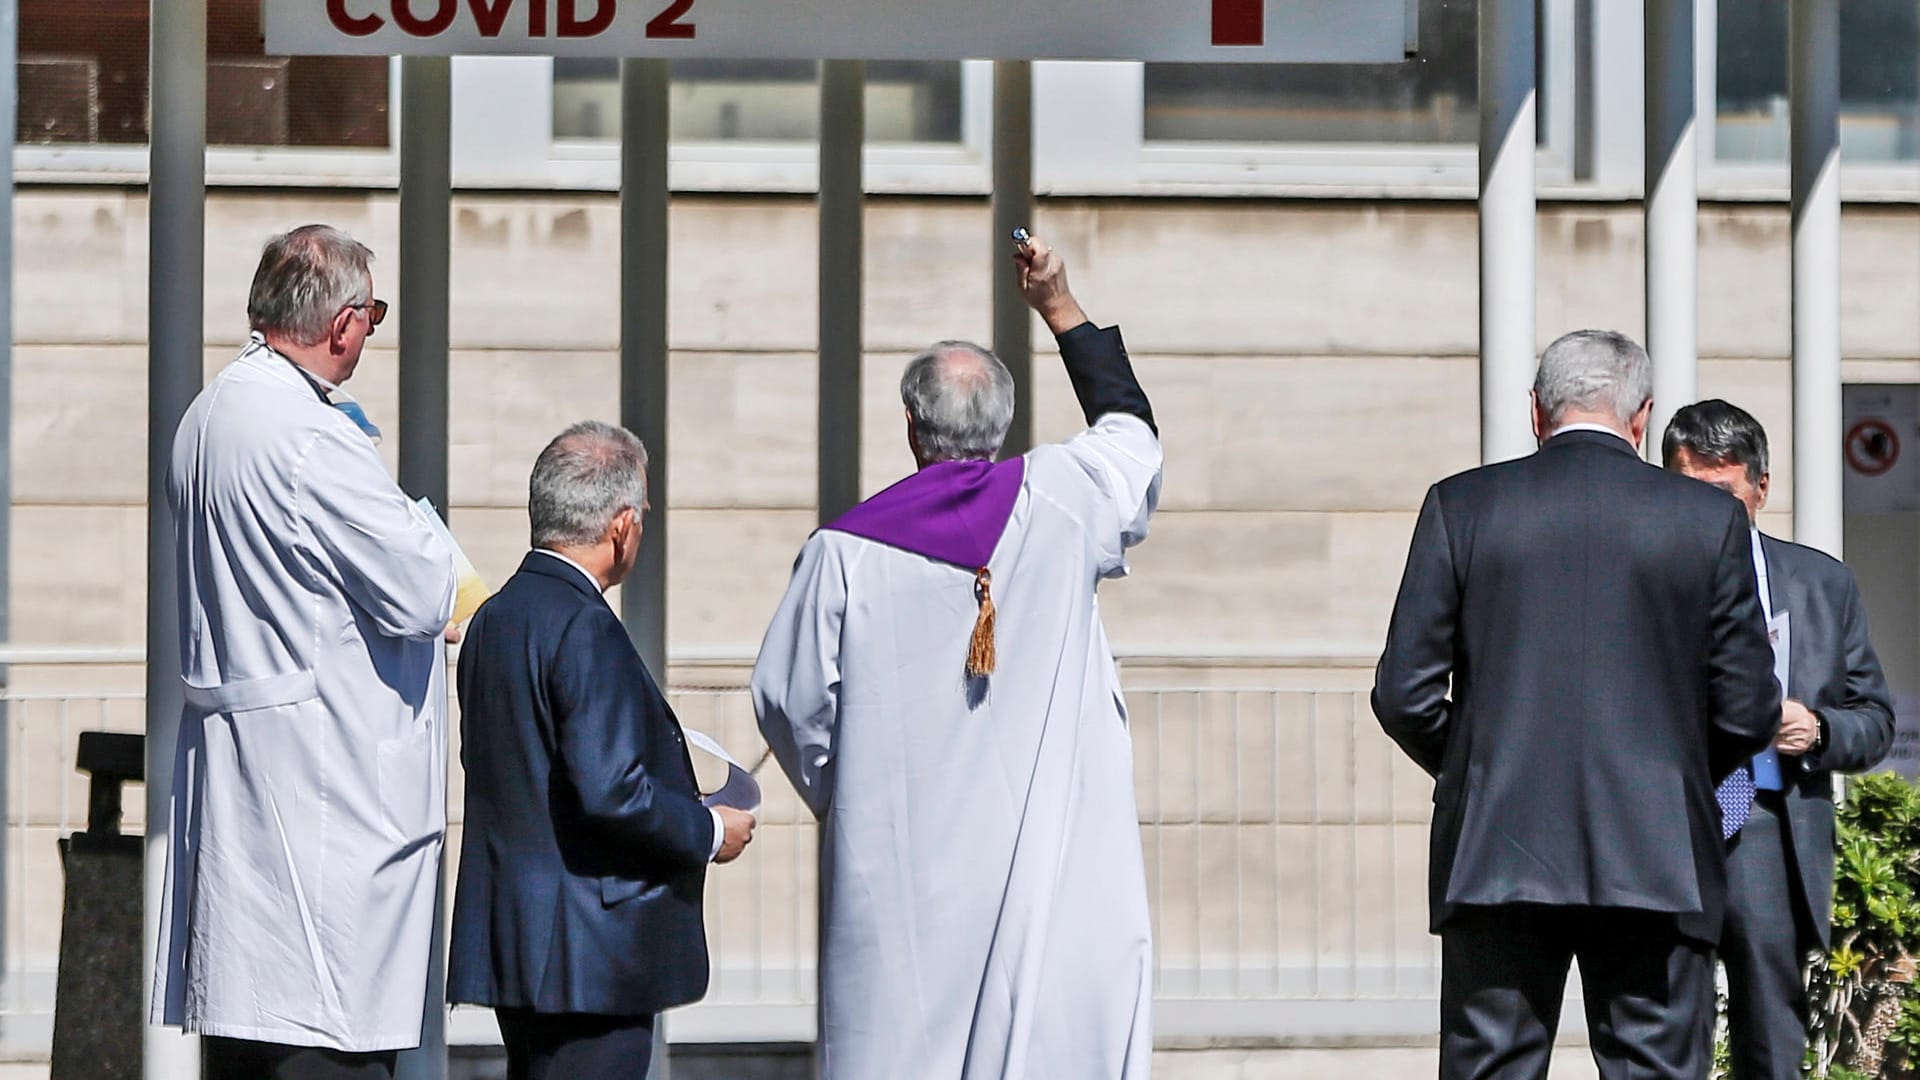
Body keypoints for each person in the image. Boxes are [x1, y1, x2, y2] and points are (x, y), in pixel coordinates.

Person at [750, 234, 1162, 1079]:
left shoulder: (844, 554)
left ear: (909, 425)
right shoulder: (1066, 497)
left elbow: (789, 704)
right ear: (1004, 424)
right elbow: (1132, 432)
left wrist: (855, 787)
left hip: (904, 881)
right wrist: (1058, 305)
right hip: (1052, 879)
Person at [1371, 330, 1781, 1080]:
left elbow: (1403, 693)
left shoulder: (1460, 506)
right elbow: (1750, 706)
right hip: (1660, 849)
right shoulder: (1709, 520)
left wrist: (1477, 768)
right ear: (1642, 418)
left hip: (1498, 844)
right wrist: (1680, 777)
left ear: (1536, 412)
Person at [153, 224, 459, 1078]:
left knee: (254, 1027)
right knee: (319, 1031)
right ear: (345, 323)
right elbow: (422, 587)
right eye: (374, 314)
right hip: (325, 781)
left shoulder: (210, 412)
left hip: (252, 767)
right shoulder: (307, 434)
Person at [448, 421, 757, 1080]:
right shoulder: (583, 625)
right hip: (589, 957)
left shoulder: (494, 619)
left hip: (524, 945)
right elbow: (612, 789)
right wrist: (707, 828)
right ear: (620, 525)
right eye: (641, 514)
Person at [1663, 399, 1895, 1080]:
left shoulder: (1822, 584)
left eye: (1724, 496)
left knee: (1772, 1037)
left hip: (1768, 822)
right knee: (1667, 1032)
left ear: (1761, 489)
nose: (1706, 514)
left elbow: (1873, 720)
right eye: (1689, 493)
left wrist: (1817, 729)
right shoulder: (1642, 578)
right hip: (1667, 823)